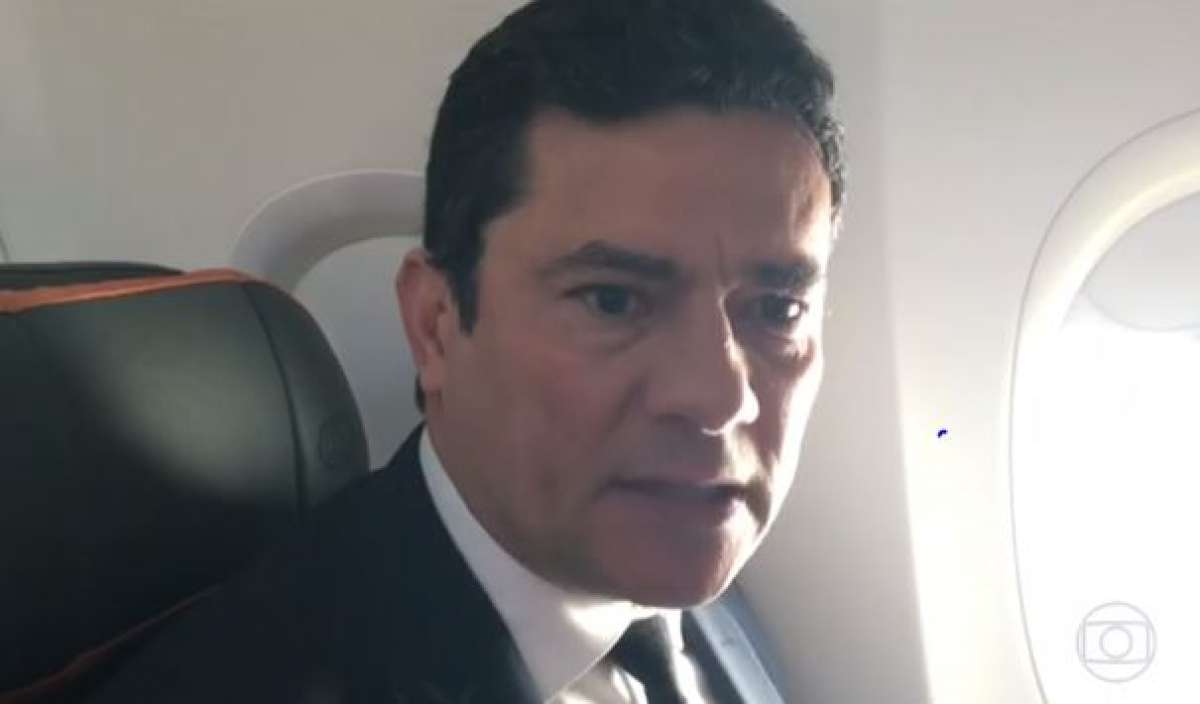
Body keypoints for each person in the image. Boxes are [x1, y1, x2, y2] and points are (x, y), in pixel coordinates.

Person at [88, 0, 844, 701]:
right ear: (436, 325)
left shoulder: (686, 567)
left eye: (777, 309)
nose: (718, 398)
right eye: (613, 300)